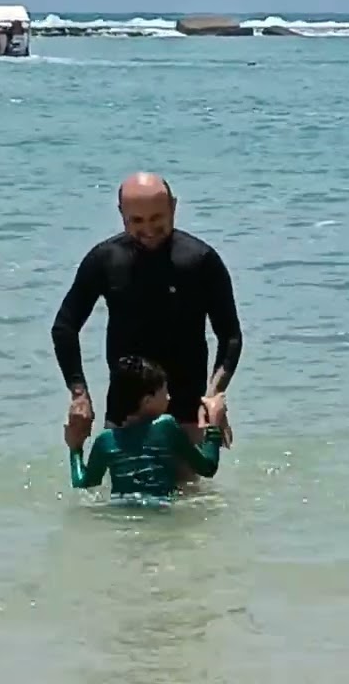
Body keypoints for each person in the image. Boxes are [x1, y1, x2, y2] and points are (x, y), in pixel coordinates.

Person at [51, 172, 243, 480]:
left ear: (173, 207)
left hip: (186, 409)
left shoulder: (201, 260)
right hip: (124, 414)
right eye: (136, 220)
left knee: (188, 504)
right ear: (121, 214)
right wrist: (79, 395)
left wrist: (213, 395)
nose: (149, 229)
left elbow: (230, 335)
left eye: (157, 218)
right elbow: (65, 327)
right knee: (123, 505)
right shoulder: (105, 259)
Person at [65, 356, 226, 502]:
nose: (169, 397)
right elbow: (208, 468)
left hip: (121, 513)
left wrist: (75, 449)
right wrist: (214, 423)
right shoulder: (167, 427)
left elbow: (84, 485)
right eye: (164, 392)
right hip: (163, 510)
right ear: (148, 401)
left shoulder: (105, 441)